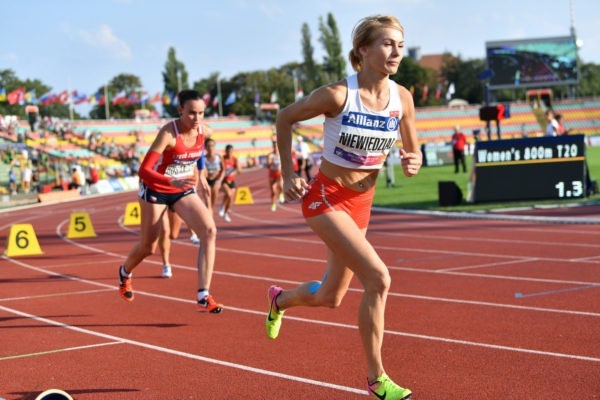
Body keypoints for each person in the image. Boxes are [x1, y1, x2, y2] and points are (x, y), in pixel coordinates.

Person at [266, 15, 421, 400]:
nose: (396, 52)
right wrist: (288, 175)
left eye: (400, 45)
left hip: (362, 204)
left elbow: (412, 146)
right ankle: (376, 379)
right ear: (363, 50)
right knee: (379, 278)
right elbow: (284, 118)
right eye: (387, 44)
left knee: (331, 297)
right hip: (326, 198)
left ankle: (279, 300)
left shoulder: (402, 98)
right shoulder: (336, 95)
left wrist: (412, 158)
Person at [117, 89, 222, 313]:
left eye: (201, 113)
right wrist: (169, 181)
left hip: (182, 188)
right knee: (149, 247)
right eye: (192, 113)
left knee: (209, 231)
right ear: (180, 110)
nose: (197, 119)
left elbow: (197, 152)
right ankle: (125, 273)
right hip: (156, 188)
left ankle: (203, 295)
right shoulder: (168, 134)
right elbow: (143, 170)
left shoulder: (205, 131)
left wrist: (201, 175)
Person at [218, 144, 241, 223]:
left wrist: (235, 170)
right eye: (228, 151)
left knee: (230, 199)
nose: (229, 153)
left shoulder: (235, 159)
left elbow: (239, 171)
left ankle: (225, 213)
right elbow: (221, 168)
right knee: (228, 194)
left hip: (231, 181)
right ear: (226, 151)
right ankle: (222, 206)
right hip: (224, 180)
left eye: (231, 151)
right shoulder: (222, 159)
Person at [204, 137, 224, 212]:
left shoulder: (218, 157)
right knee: (208, 204)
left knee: (212, 204)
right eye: (208, 146)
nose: (210, 148)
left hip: (215, 181)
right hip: (207, 181)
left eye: (212, 145)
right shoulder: (203, 158)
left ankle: (209, 217)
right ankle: (209, 219)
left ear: (214, 146)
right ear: (205, 147)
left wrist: (219, 180)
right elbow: (201, 172)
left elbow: (223, 170)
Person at [266, 139, 285, 211]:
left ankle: (281, 194)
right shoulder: (270, 155)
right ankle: (273, 204)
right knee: (273, 191)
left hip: (279, 173)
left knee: (280, 185)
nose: (275, 148)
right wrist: (271, 162)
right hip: (272, 174)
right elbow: (268, 166)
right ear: (273, 147)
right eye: (274, 146)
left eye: (276, 146)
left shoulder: (281, 154)